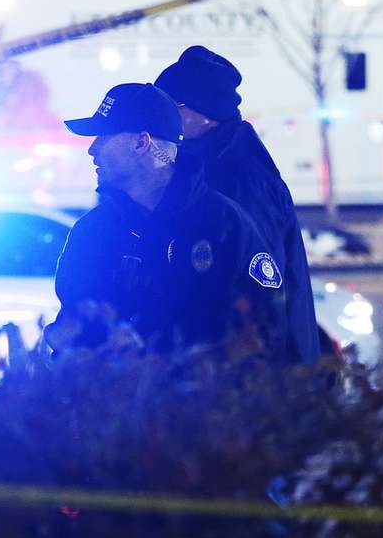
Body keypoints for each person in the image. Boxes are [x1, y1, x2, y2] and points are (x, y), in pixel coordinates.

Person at [47, 82, 302, 363]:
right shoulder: (92, 232)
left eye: (104, 136)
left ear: (141, 143)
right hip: (115, 391)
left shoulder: (223, 223)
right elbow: (74, 330)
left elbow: (265, 324)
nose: (92, 149)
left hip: (208, 391)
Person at [155, 46, 321, 365]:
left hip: (260, 370)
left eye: (172, 106)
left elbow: (261, 282)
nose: (163, 118)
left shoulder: (240, 177)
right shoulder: (216, 163)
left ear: (204, 111)